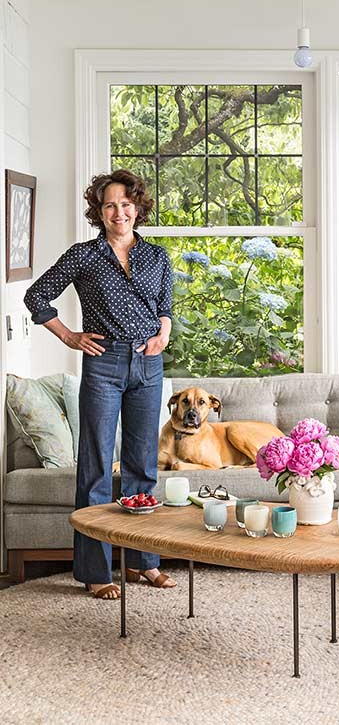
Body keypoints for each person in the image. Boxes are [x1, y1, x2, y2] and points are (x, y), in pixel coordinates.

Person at [24, 169, 176, 599]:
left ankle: (144, 562)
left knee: (142, 467)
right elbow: (36, 297)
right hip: (104, 365)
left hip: (148, 365)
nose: (119, 212)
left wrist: (162, 333)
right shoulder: (83, 256)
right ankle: (96, 571)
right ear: (99, 211)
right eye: (110, 205)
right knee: (93, 469)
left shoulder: (157, 257)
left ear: (138, 208)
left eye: (127, 204)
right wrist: (69, 335)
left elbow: (164, 306)